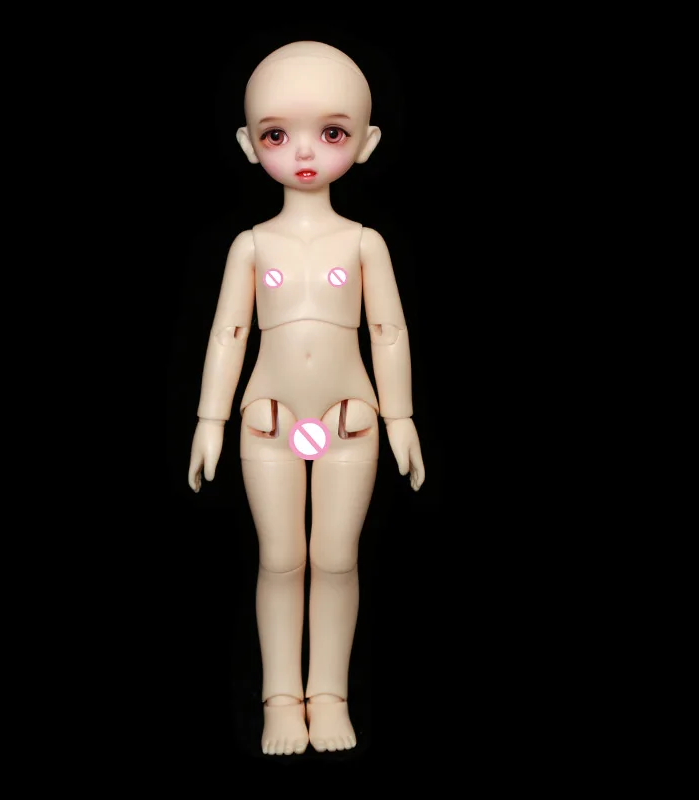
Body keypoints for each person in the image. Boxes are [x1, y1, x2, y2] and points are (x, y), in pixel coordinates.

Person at [187, 41, 425, 756]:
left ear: (366, 142)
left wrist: (402, 416)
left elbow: (388, 332)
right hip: (269, 420)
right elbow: (228, 333)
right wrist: (209, 418)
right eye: (275, 135)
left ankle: (329, 694)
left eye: (331, 132)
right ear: (248, 144)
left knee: (338, 559)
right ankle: (280, 700)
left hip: (353, 420)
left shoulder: (364, 243)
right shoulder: (251, 246)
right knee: (282, 559)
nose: (303, 152)